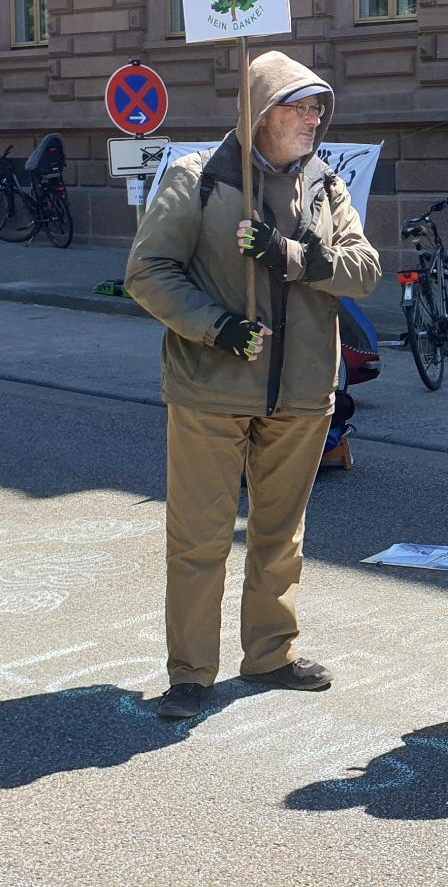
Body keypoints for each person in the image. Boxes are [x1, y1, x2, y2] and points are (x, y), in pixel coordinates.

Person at [126, 51, 381, 721]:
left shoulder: (325, 184)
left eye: (319, 108)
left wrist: (290, 255)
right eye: (300, 107)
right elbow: (148, 273)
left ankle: (270, 653)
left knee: (280, 534)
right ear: (261, 113)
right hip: (210, 389)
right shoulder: (198, 178)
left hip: (303, 391)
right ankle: (191, 672)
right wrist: (217, 327)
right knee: (199, 538)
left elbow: (363, 271)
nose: (314, 119)